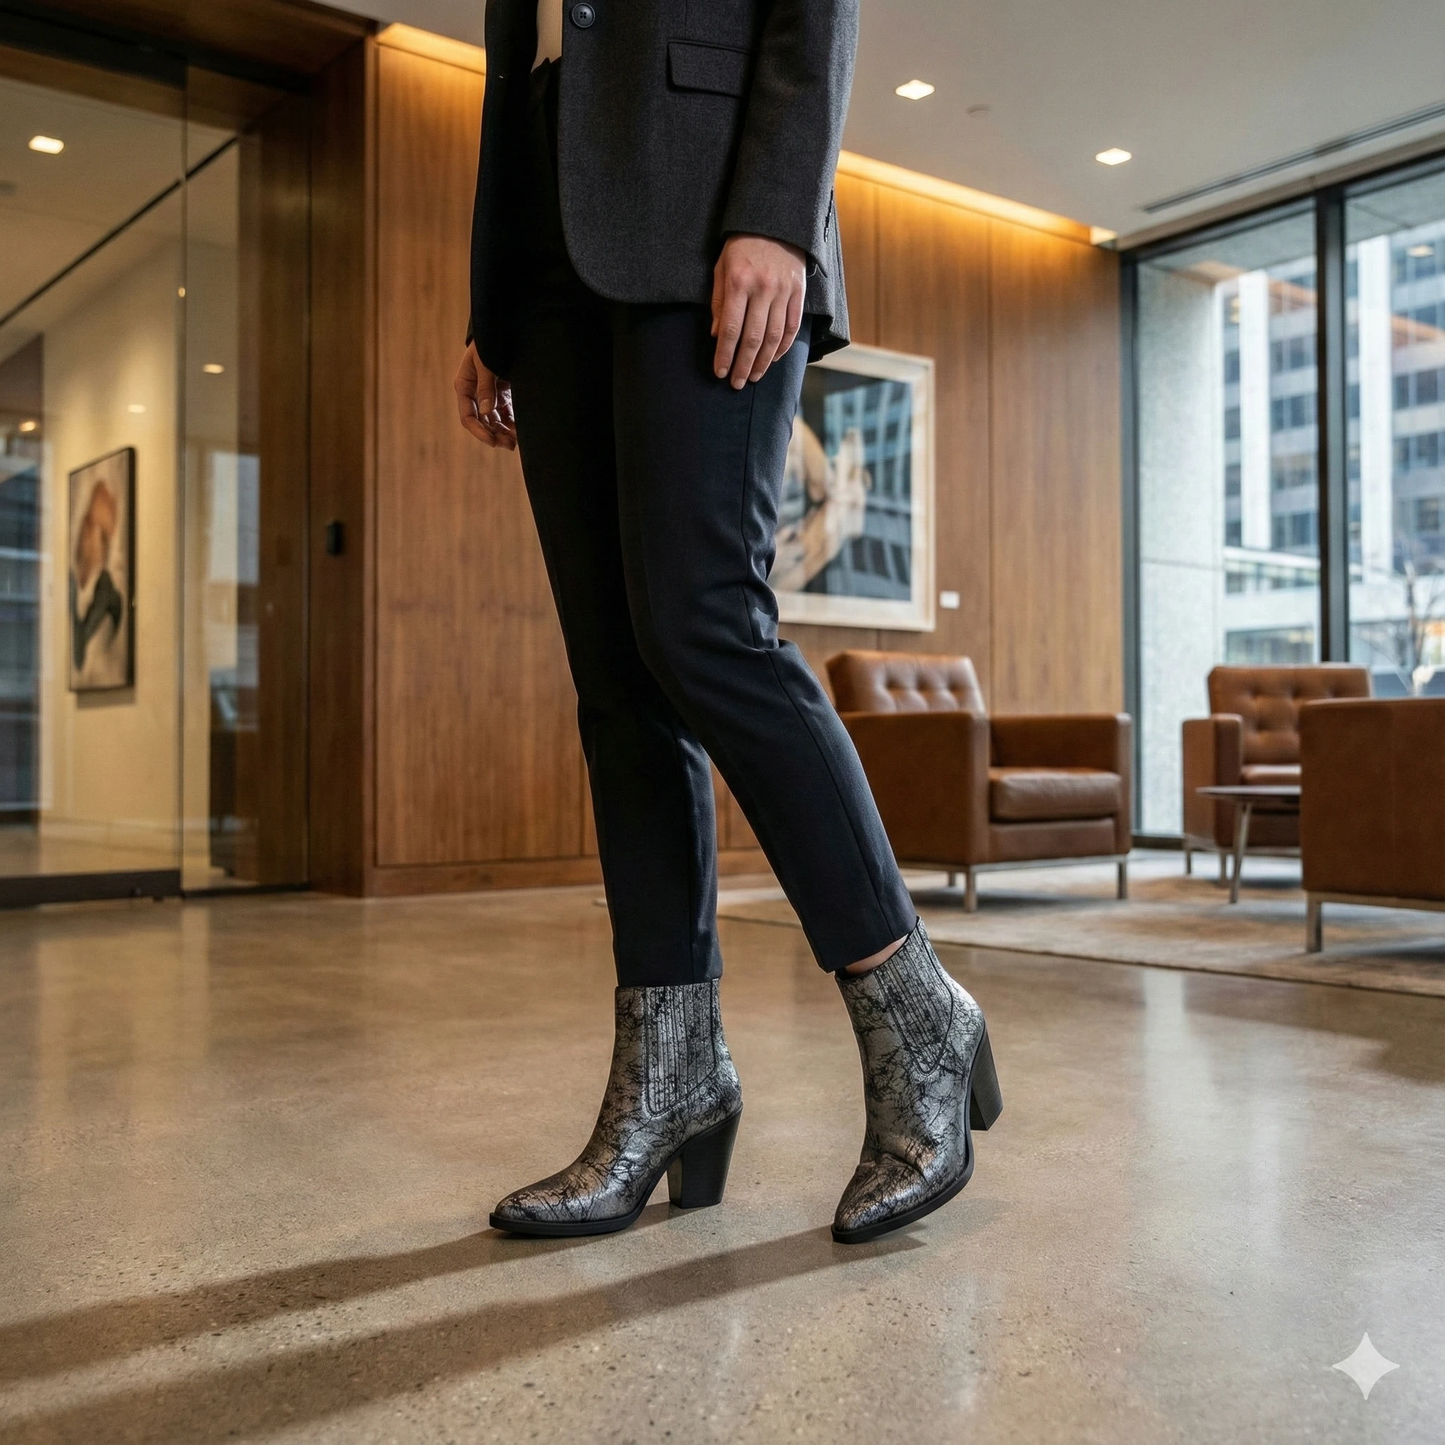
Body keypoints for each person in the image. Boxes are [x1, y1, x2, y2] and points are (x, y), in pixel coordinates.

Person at [454, 0, 1000, 1245]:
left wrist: (773, 206)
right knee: (615, 675)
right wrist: (493, 300)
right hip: (548, 235)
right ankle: (673, 1068)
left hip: (705, 200)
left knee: (703, 621)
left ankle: (917, 1012)